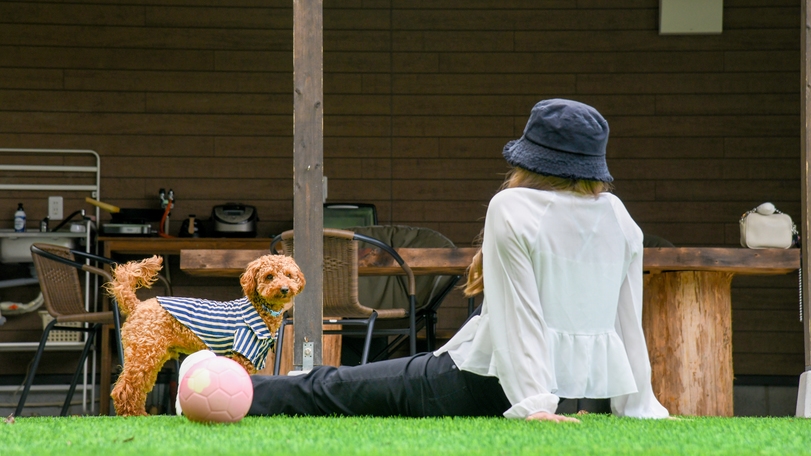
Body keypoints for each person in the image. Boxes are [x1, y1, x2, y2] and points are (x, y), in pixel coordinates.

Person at [238, 99, 668, 422]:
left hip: (481, 383)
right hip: (550, 388)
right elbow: (627, 320)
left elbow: (521, 316)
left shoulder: (512, 205)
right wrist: (641, 406)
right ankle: (233, 390)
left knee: (330, 388)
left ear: (532, 161)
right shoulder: (619, 217)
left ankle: (228, 392)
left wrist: (534, 404)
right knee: (334, 386)